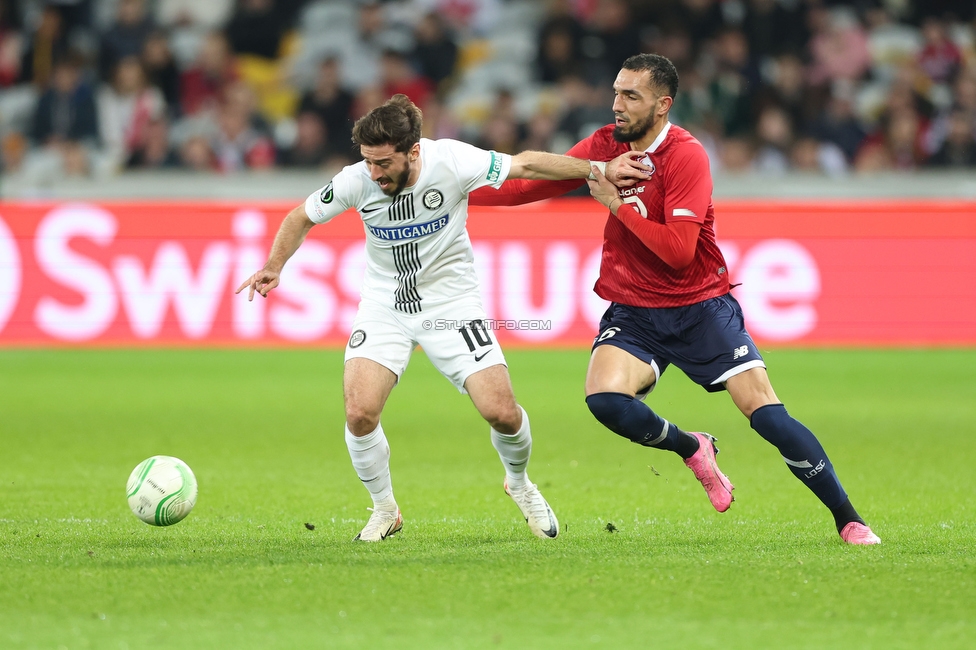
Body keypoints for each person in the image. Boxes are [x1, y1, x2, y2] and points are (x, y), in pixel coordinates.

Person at [470, 54, 881, 545]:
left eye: (631, 97)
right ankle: (693, 447)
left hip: (700, 307)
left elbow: (680, 252)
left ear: (663, 105)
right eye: (617, 93)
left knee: (767, 415)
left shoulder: (686, 156)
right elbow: (524, 188)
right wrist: (454, 189)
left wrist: (616, 207)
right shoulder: (604, 145)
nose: (617, 105)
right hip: (636, 311)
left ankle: (848, 518)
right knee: (605, 402)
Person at [236, 94, 649, 542]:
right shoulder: (357, 180)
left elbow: (526, 165)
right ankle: (384, 509)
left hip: (452, 305)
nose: (374, 173)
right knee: (359, 413)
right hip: (385, 306)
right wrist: (274, 266)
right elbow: (300, 217)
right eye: (368, 162)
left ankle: (520, 484)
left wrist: (597, 168)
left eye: (383, 163)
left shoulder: (451, 160)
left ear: (413, 150)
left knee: (502, 413)